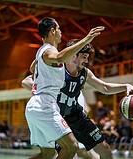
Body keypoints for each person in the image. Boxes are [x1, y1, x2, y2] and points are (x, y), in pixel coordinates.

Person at [23, 38, 133, 159]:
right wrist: (43, 90)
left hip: (76, 116)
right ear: (73, 54)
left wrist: (125, 86)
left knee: (105, 149)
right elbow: (26, 81)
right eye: (84, 56)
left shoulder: (85, 73)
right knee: (53, 154)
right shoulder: (56, 68)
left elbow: (105, 88)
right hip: (56, 117)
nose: (86, 60)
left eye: (87, 57)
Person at [24, 17, 105, 159]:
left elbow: (33, 67)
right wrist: (86, 39)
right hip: (44, 105)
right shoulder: (48, 51)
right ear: (52, 31)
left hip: (36, 106)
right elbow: (60, 58)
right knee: (72, 146)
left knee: (47, 154)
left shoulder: (43, 52)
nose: (61, 32)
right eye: (59, 29)